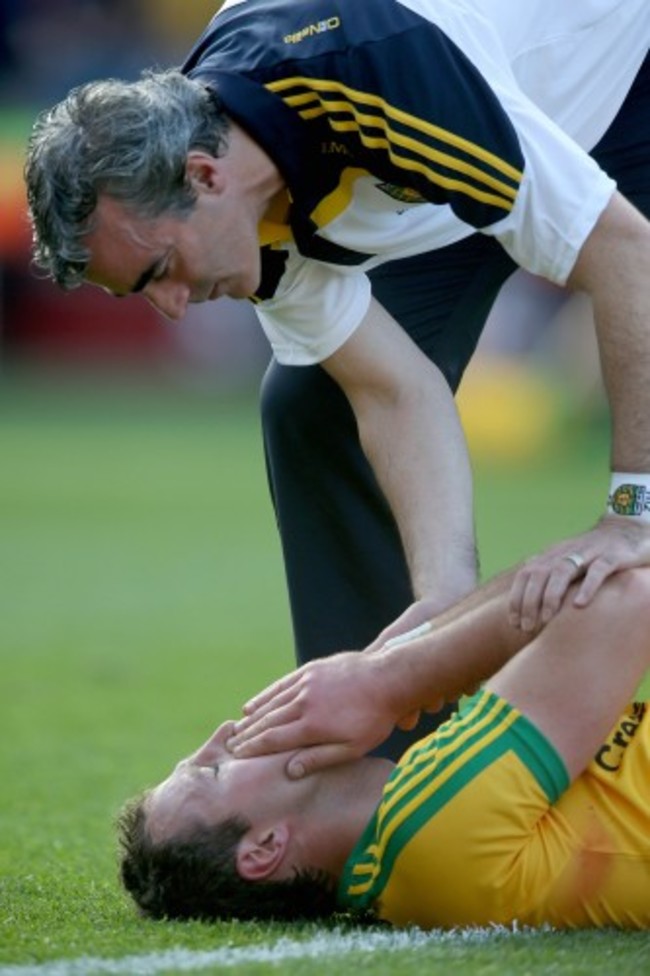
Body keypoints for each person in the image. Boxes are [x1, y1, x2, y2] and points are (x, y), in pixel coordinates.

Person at [25, 1, 650, 757]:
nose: (175, 306)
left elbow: (627, 254)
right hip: (443, 156)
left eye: (163, 270)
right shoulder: (224, 181)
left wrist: (632, 515)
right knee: (315, 401)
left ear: (205, 175)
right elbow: (392, 389)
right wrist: (444, 601)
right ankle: (385, 761)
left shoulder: (376, 70)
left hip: (618, 75)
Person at [118, 563, 650, 928]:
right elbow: (619, 591)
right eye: (211, 772)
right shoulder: (424, 826)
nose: (221, 735)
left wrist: (430, 636)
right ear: (264, 849)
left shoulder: (400, 863)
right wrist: (395, 674)